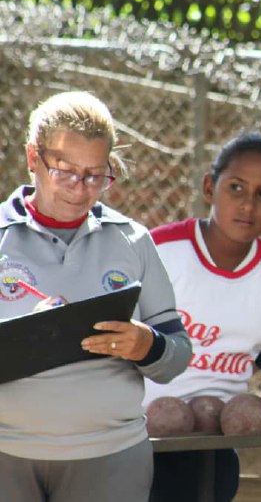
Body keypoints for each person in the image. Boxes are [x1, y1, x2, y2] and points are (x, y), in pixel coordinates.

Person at [0, 91, 192, 502]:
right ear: (33, 158)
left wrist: (146, 345)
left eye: (95, 175)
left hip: (111, 456)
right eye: (66, 171)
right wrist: (28, 334)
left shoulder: (133, 240)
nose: (81, 188)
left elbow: (177, 355)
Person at [143, 131, 261, 502]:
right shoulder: (158, 251)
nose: (248, 205)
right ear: (210, 187)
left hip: (217, 448)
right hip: (140, 438)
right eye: (236, 188)